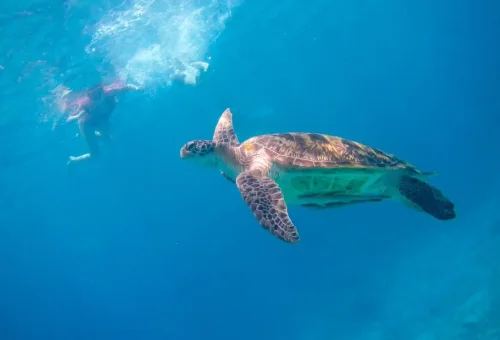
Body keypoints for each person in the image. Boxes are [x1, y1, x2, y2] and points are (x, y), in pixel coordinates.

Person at [62, 80, 141, 165]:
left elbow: (126, 87)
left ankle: (87, 136)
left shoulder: (109, 92)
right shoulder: (85, 104)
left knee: (107, 139)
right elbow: (68, 120)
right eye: (93, 97)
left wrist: (137, 88)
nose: (96, 100)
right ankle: (73, 160)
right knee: (95, 155)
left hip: (101, 120)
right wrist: (77, 116)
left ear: (102, 92)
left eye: (97, 95)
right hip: (87, 125)